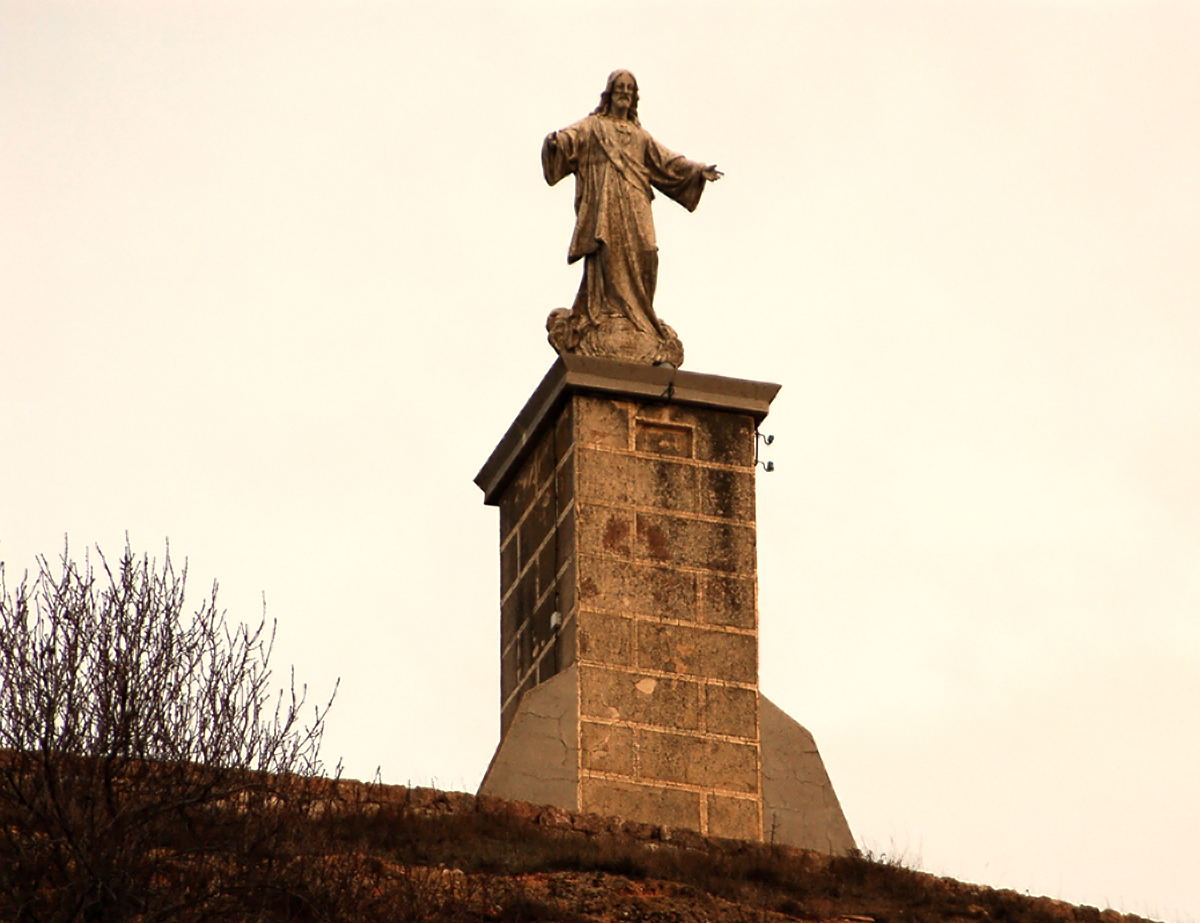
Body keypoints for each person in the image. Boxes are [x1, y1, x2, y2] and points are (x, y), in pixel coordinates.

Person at [542, 70, 721, 364]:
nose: (624, 93)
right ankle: (607, 315)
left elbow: (666, 161)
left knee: (646, 252)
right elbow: (570, 139)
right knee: (608, 253)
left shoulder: (639, 136)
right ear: (610, 94)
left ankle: (640, 319)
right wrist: (555, 143)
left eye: (630, 89)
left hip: (636, 199)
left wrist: (696, 170)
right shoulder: (594, 126)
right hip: (605, 202)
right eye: (620, 88)